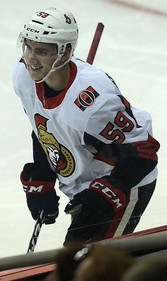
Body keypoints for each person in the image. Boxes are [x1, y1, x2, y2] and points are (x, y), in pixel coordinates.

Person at [13, 7, 160, 245]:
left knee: (91, 265)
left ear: (65, 52)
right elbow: (45, 129)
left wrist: (102, 196)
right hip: (85, 176)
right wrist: (43, 176)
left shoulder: (94, 101)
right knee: (75, 262)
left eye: (41, 51)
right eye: (28, 47)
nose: (30, 59)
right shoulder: (23, 77)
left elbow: (144, 153)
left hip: (123, 181)